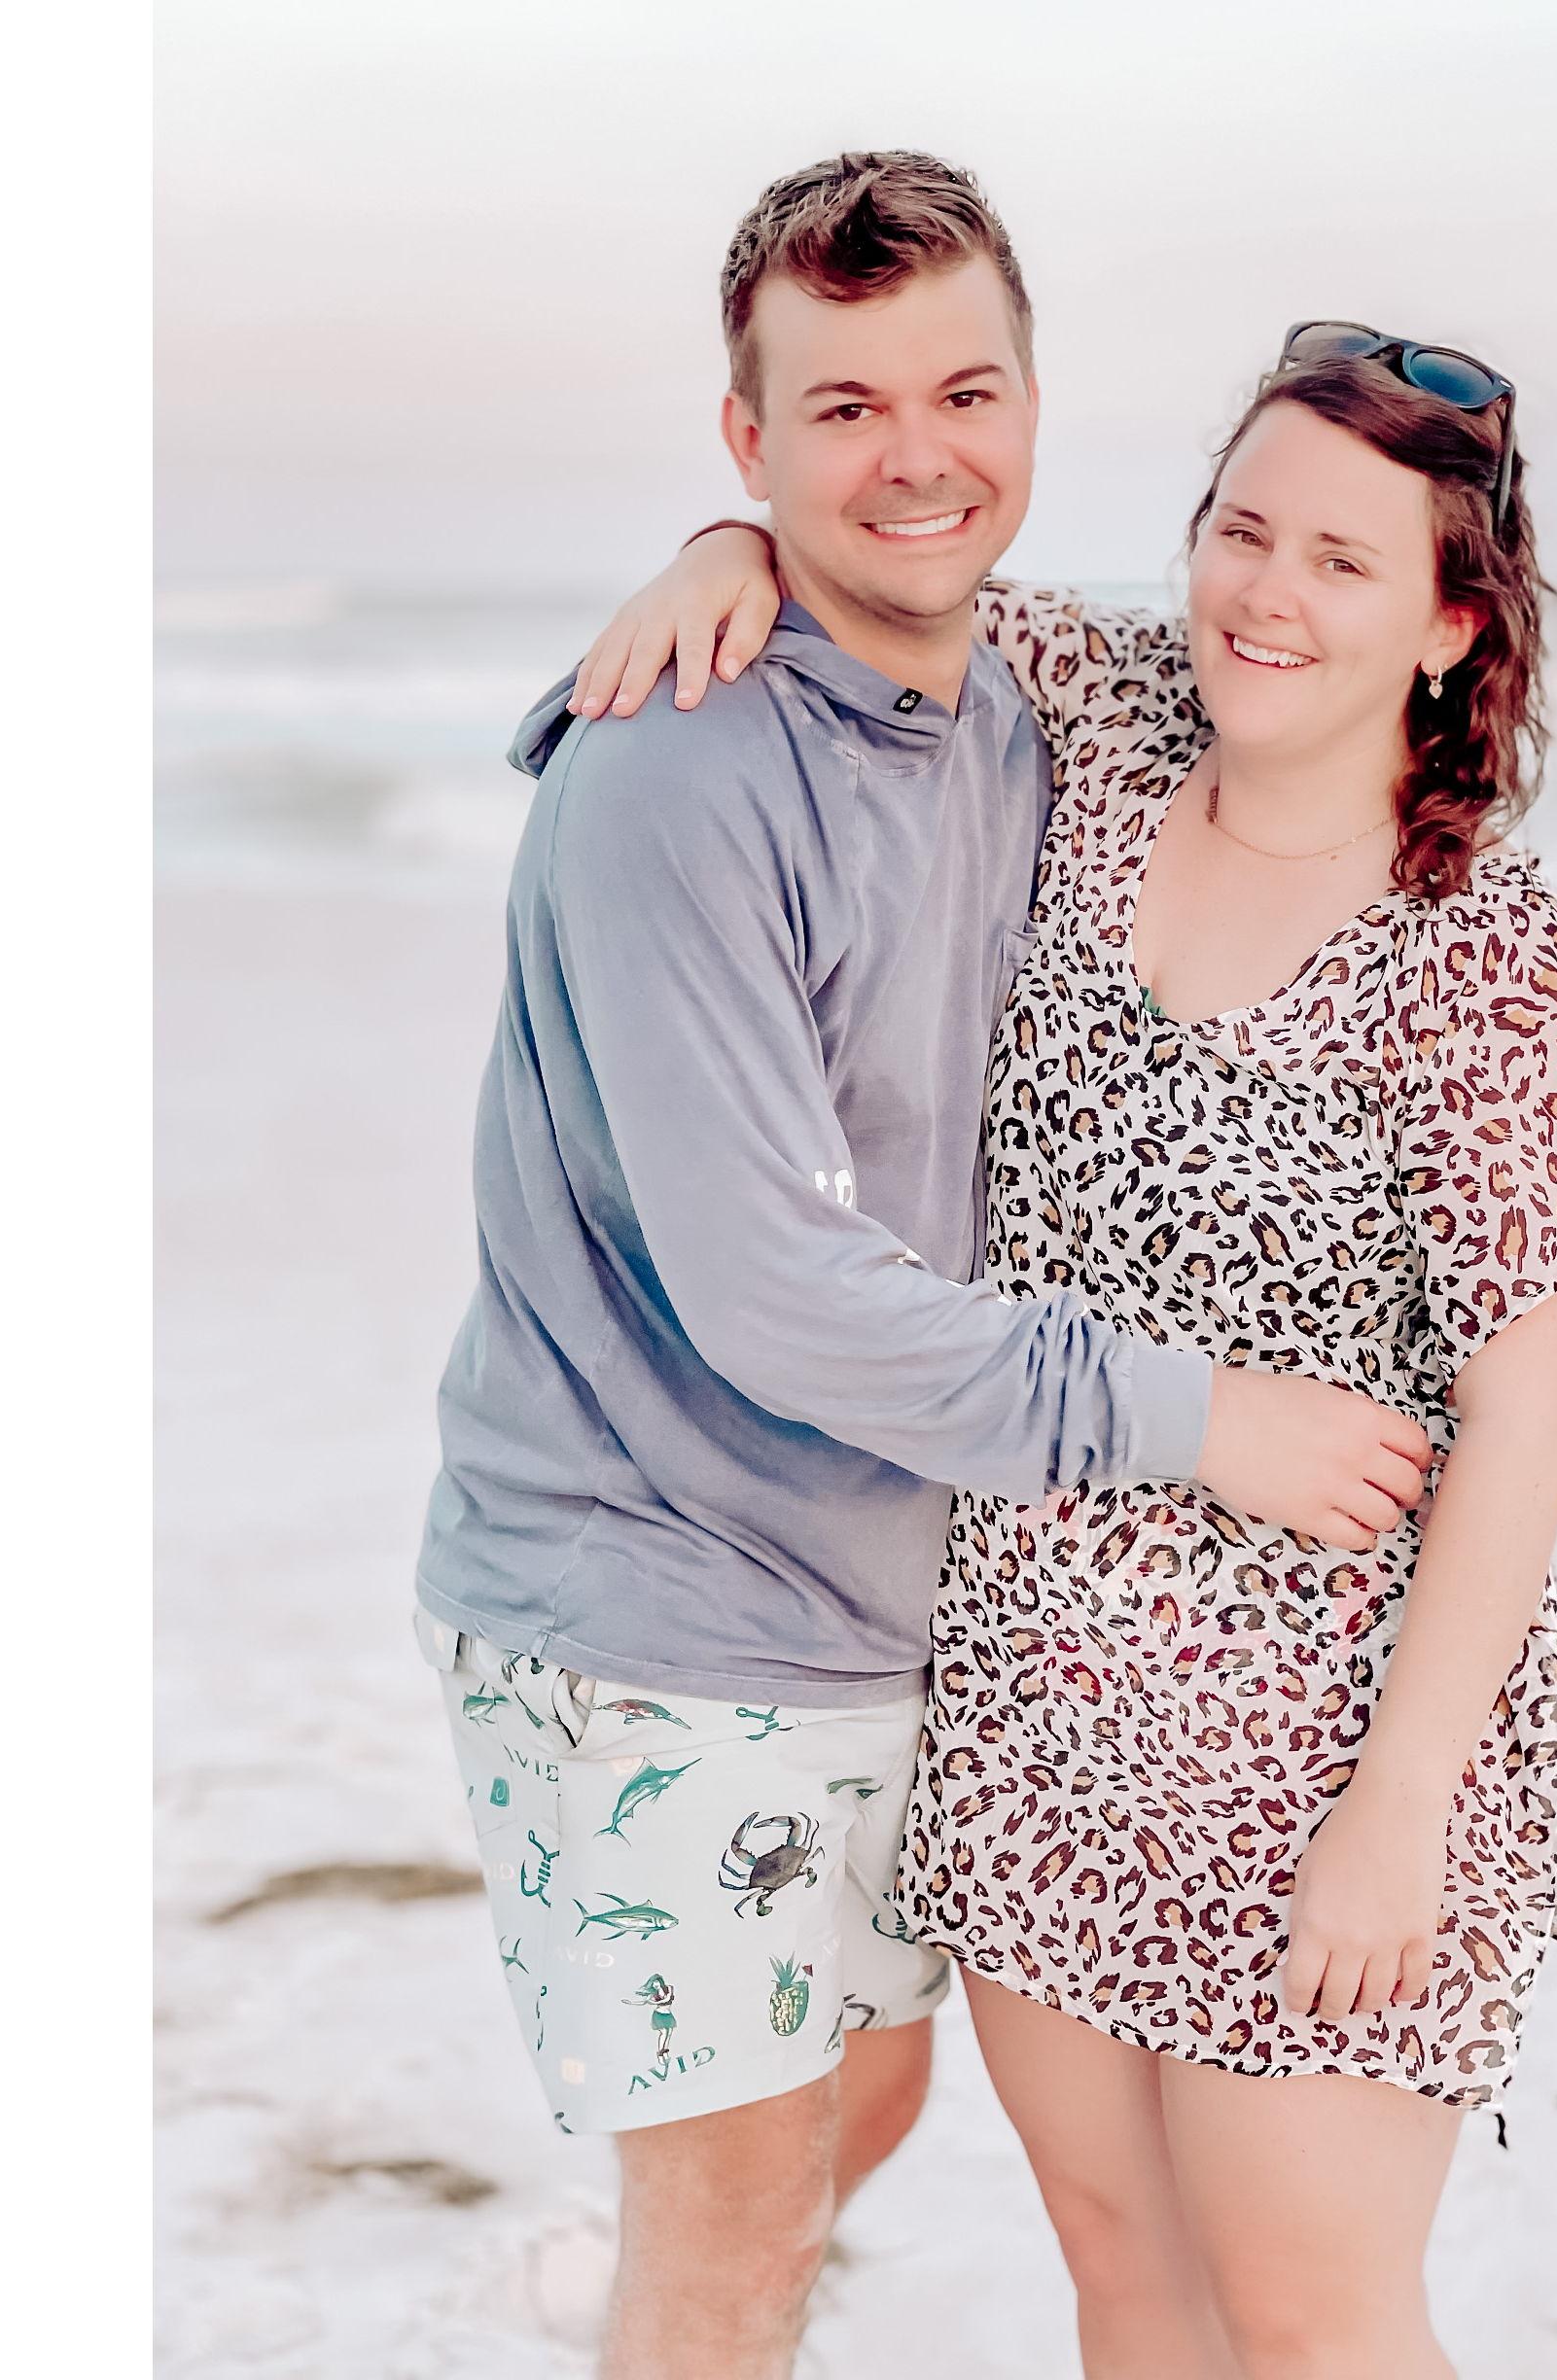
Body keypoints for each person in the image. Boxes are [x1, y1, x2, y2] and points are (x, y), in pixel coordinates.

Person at [579, 324, 1557, 2377]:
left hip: (1331, 1739)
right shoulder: (1099, 728)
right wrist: (720, 546)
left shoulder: (1482, 961)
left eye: (1345, 562)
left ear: (1452, 627)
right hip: (1038, 1699)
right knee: (1128, 2281)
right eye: (1241, 530)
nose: (1268, 593)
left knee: (1315, 2320)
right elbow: (896, 561)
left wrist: (1399, 1812)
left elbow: (1535, 1418)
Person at [412, 156, 1432, 2380]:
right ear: (748, 438)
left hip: (884, 1591)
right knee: (737, 2231)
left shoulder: (1026, 718)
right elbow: (778, 1294)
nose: (915, 457)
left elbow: (1332, 675)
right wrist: (1202, 1418)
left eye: (961, 394)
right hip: (651, 1595)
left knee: (855, 2110)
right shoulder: (682, 775)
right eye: (842, 408)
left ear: (1033, 407)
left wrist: (737, 555)